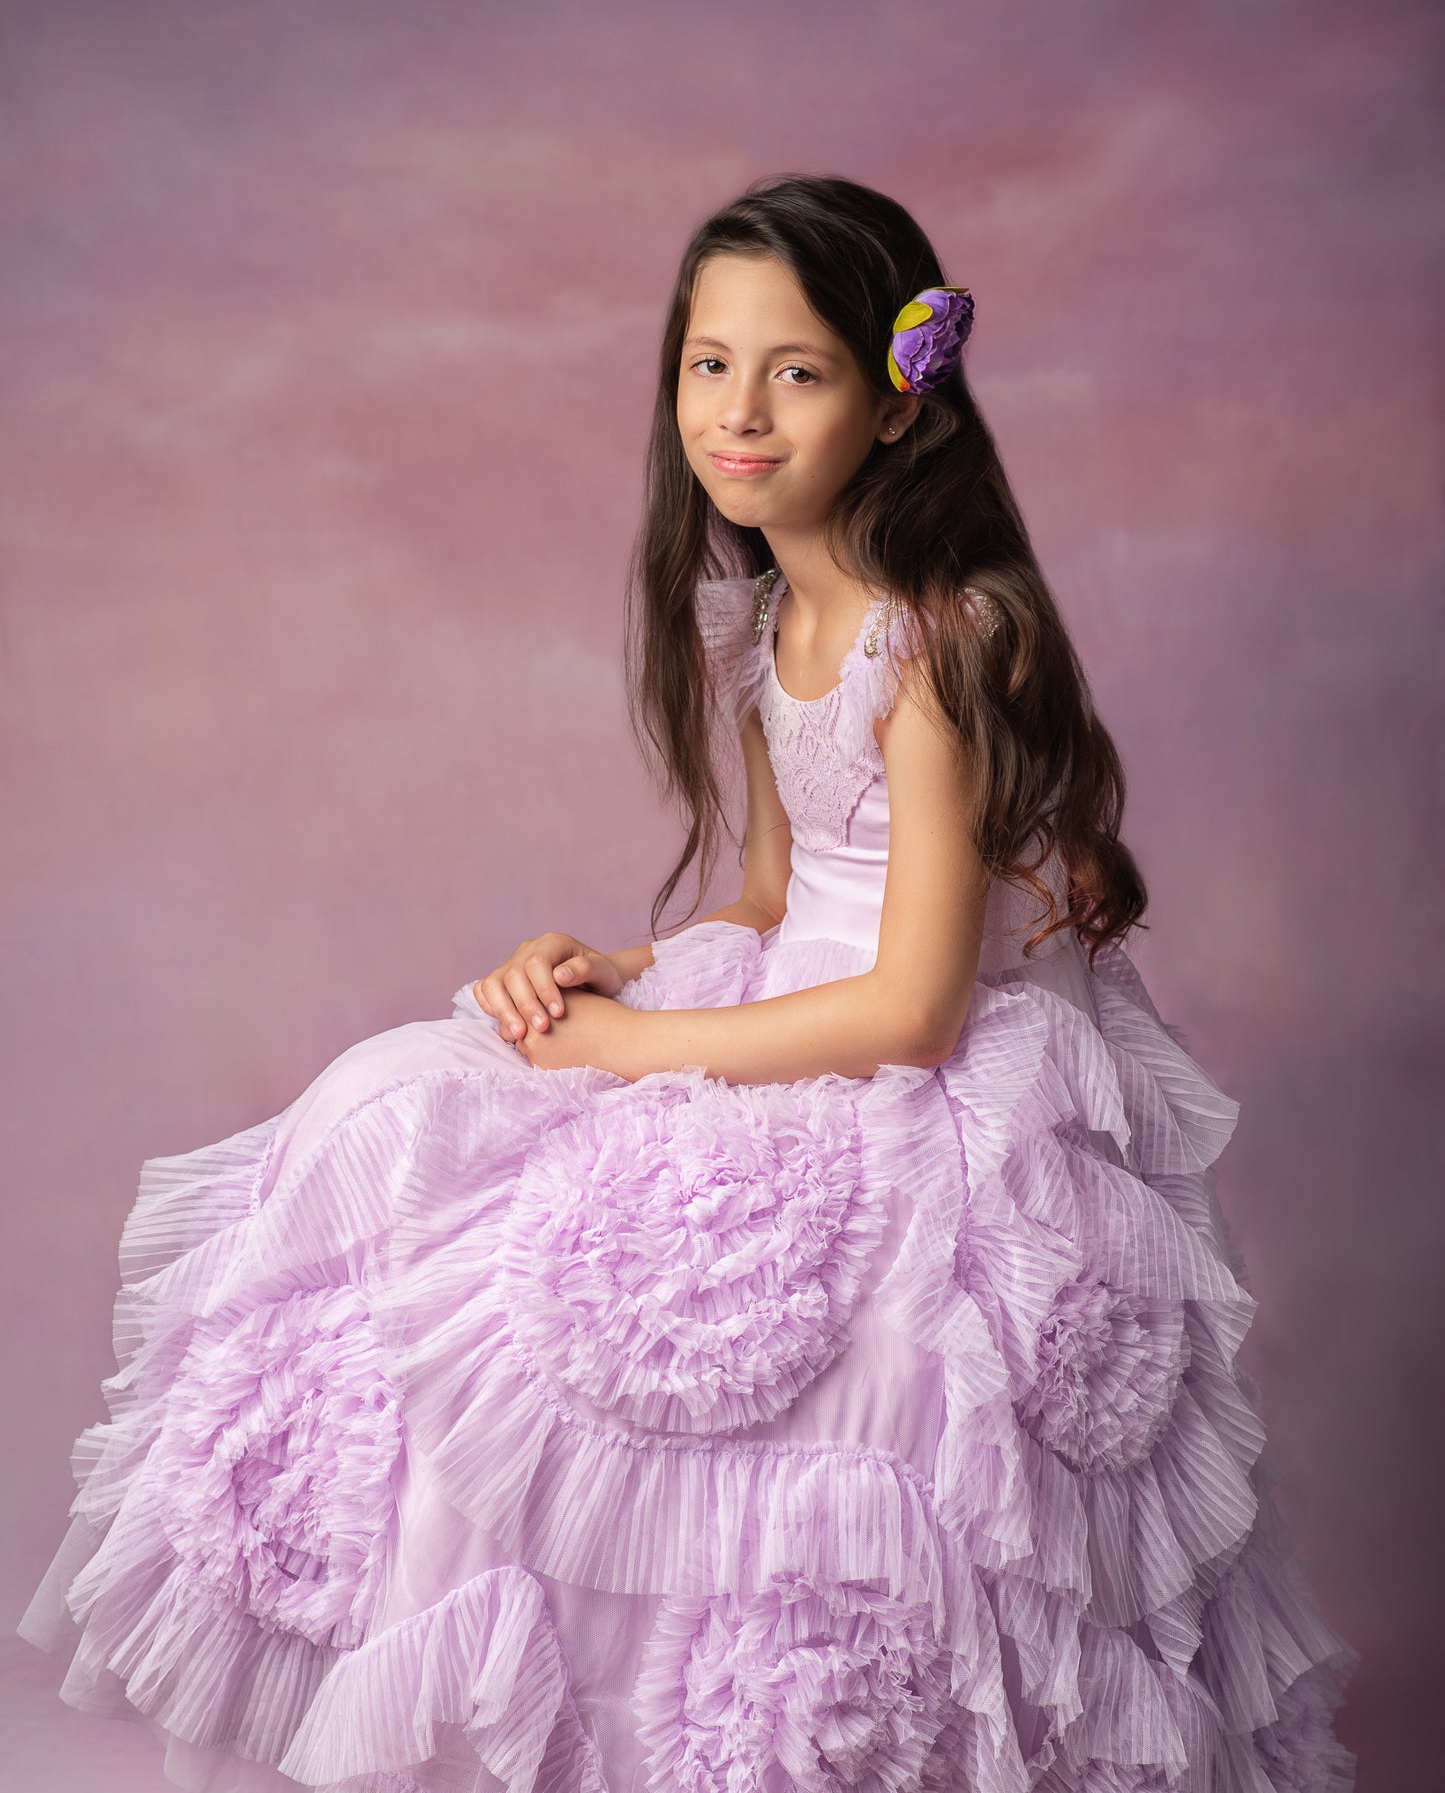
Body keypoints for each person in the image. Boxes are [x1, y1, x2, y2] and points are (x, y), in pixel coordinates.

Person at [18, 172, 1358, 1792]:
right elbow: (781, 901)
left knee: (732, 1322)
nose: (739, 411)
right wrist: (616, 966)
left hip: (928, 1080)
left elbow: (914, 1006)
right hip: (800, 1004)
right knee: (392, 1105)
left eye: (795, 371)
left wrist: (633, 1049)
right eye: (708, 365)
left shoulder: (942, 643)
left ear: (894, 402)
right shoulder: (776, 619)